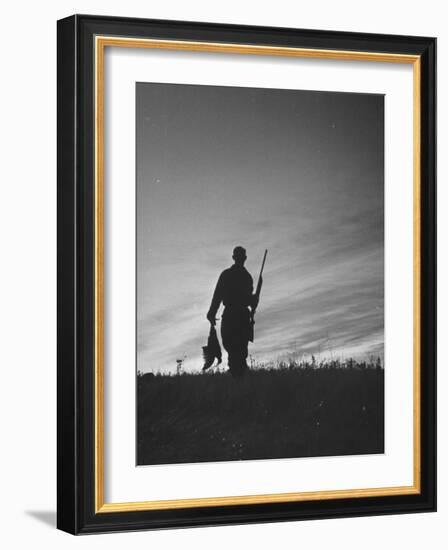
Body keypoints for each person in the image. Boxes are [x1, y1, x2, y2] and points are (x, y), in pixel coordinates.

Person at [207, 246, 258, 378]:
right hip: (239, 316)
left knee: (236, 350)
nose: (240, 259)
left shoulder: (232, 275)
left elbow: (218, 295)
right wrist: (253, 300)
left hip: (234, 316)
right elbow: (218, 295)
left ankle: (237, 380)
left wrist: (212, 313)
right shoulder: (246, 277)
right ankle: (239, 379)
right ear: (238, 258)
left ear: (235, 258)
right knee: (237, 350)